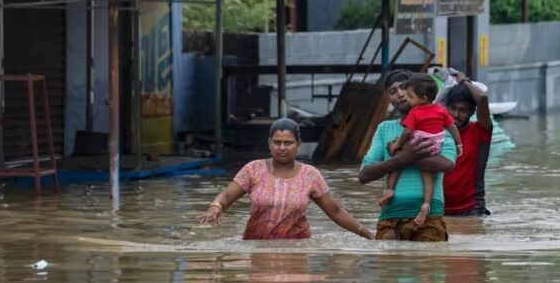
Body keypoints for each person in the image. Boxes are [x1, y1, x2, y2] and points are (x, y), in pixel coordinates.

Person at [198, 118, 374, 239]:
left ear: (298, 144)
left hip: (297, 250)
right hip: (257, 247)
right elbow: (227, 196)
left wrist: (367, 235)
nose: (282, 148)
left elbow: (335, 211)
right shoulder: (253, 169)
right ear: (269, 144)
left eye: (288, 143)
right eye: (277, 142)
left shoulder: (310, 175)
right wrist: (215, 206)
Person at [359, 71, 457, 241]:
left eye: (404, 87)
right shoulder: (385, 129)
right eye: (393, 91)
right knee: (390, 266)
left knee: (428, 265)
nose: (401, 94)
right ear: (389, 99)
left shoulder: (438, 123)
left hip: (430, 217)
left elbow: (447, 164)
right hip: (390, 217)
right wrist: (402, 158)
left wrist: (405, 156)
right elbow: (364, 175)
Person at [379, 74, 463, 225]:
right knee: (428, 177)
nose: (406, 98)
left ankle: (390, 191)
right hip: (433, 145)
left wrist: (398, 145)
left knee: (397, 164)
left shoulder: (415, 112)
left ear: (423, 99)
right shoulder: (440, 110)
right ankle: (426, 205)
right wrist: (459, 145)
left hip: (417, 141)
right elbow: (452, 127)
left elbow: (408, 132)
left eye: (410, 96)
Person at [441, 77, 494, 216]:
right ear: (445, 107)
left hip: (471, 208)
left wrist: (463, 80)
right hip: (438, 208)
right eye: (452, 108)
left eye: (462, 110)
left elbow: (482, 98)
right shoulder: (436, 132)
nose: (456, 115)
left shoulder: (480, 131)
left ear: (471, 112)